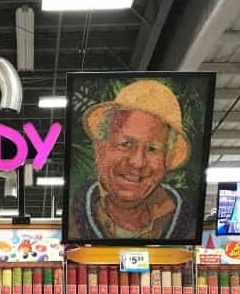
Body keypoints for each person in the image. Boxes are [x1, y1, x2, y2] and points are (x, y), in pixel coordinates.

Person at [70, 79, 197, 240]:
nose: (138, 162)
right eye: (126, 144)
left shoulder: (188, 223)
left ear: (167, 160)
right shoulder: (71, 220)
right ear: (100, 150)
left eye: (152, 149)